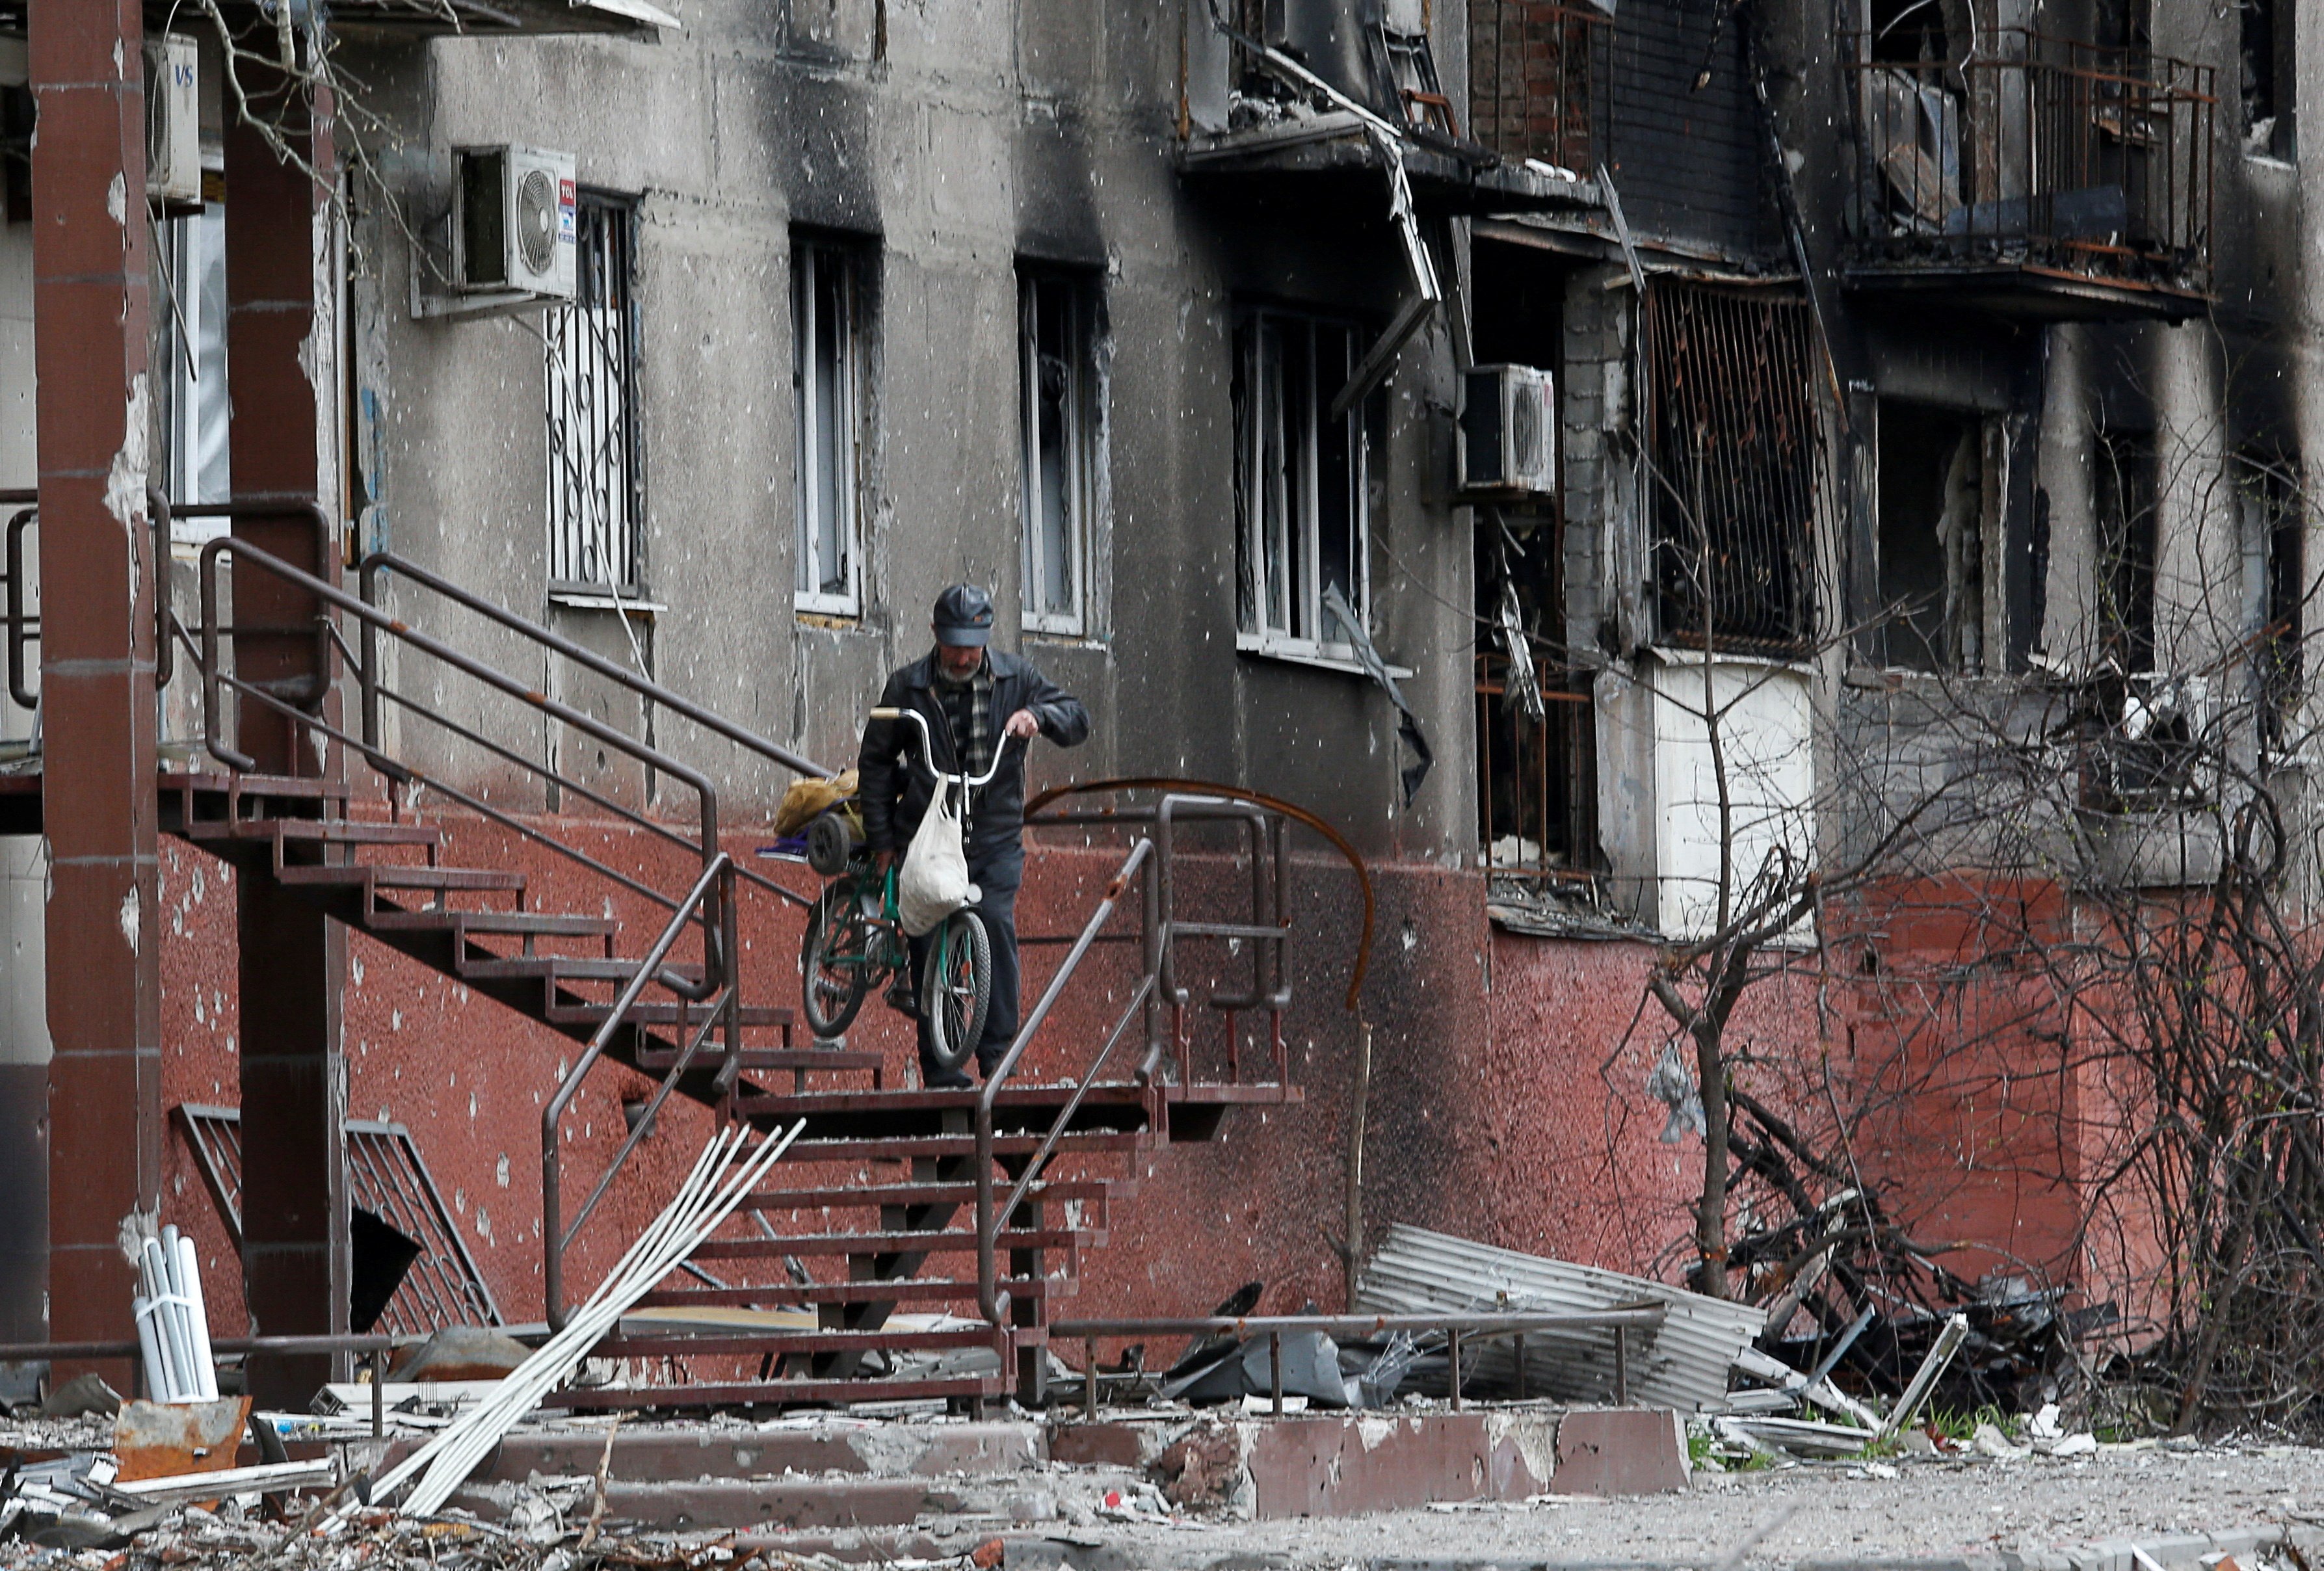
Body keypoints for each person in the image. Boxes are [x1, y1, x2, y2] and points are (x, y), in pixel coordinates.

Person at [856, 585, 1090, 1089]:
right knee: (926, 930)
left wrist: (1041, 716)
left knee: (994, 926)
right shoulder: (908, 687)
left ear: (986, 638)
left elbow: (1077, 719)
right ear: (936, 635)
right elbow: (874, 764)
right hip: (927, 834)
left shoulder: (1017, 678)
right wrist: (883, 846)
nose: (963, 656)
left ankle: (998, 1060)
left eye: (972, 644)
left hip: (993, 835)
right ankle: (940, 1070)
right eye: (954, 644)